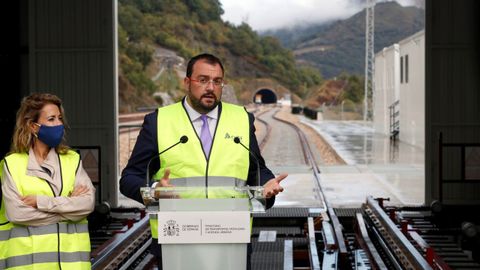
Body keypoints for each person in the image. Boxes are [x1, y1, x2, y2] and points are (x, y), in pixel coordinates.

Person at [120, 53, 287, 268]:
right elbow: (129, 178)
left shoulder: (241, 119)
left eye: (217, 81)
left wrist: (266, 185)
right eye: (203, 80)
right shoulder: (159, 122)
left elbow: (256, 170)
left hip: (231, 238)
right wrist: (153, 190)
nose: (210, 87)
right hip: (177, 240)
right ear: (187, 82)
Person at [0, 93, 95, 269]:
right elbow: (17, 214)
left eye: (60, 118)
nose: (59, 124)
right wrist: (68, 208)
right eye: (51, 119)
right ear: (33, 126)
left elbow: (87, 204)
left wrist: (41, 202)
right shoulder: (12, 165)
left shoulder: (72, 160)